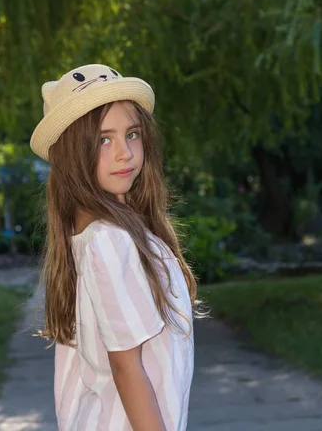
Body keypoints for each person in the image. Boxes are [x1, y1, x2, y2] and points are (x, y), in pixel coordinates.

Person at [30, 63, 199, 431]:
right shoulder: (110, 241)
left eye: (132, 134)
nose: (124, 152)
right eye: (104, 139)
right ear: (72, 156)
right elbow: (126, 367)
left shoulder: (100, 235)